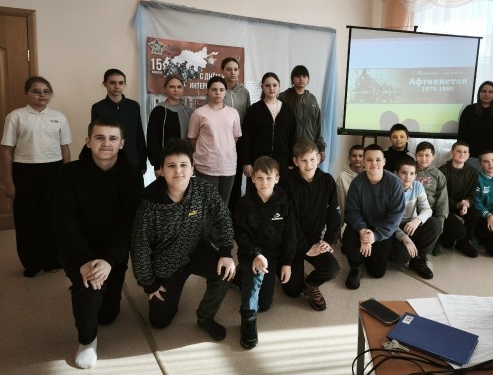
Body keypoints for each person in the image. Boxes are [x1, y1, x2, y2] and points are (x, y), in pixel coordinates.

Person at [54, 118, 143, 369]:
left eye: (113, 138)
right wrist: (84, 260)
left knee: (107, 316)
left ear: (122, 143)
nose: (106, 143)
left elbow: (131, 224)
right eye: (99, 137)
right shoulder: (69, 173)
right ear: (88, 141)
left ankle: (92, 293)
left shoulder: (132, 175)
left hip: (112, 253)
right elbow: (65, 223)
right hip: (77, 250)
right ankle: (87, 341)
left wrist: (109, 260)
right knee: (88, 286)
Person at [130, 139, 235, 343]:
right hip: (165, 262)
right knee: (159, 321)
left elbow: (223, 217)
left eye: (183, 165)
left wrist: (225, 251)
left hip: (195, 249)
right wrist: (149, 284)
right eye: (171, 166)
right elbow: (139, 247)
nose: (178, 171)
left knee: (225, 272)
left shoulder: (203, 189)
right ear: (161, 171)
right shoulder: (149, 202)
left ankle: (205, 317)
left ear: (193, 168)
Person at [1, 76, 72, 277]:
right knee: (27, 219)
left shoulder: (59, 117)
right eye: (36, 91)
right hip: (25, 171)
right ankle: (32, 263)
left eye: (46, 91)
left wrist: (67, 177)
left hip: (54, 170)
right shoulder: (16, 116)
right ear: (26, 93)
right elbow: (6, 151)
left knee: (53, 217)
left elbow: (65, 148)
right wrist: (8, 182)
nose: (42, 95)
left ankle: (52, 260)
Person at [233, 156, 296, 349]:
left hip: (273, 255)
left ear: (277, 178)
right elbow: (240, 233)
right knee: (254, 283)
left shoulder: (285, 202)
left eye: (269, 178)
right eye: (259, 178)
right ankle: (248, 319)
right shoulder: (244, 203)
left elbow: (290, 234)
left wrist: (287, 262)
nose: (264, 182)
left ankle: (239, 276)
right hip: (251, 253)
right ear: (252, 178)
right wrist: (255, 255)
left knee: (265, 304)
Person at [280, 140, 340, 311]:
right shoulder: (286, 182)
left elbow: (334, 214)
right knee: (292, 291)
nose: (309, 165)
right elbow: (288, 222)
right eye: (304, 160)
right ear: (295, 161)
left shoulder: (327, 181)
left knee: (332, 268)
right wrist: (305, 248)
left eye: (312, 159)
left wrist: (327, 241)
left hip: (314, 239)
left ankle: (311, 284)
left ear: (319, 158)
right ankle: (284, 268)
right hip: (291, 242)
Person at [342, 144, 405, 290]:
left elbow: (395, 217)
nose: (374, 163)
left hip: (382, 229)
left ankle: (372, 253)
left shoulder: (394, 182)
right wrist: (363, 231)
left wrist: (374, 236)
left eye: (378, 160)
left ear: (384, 161)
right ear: (363, 162)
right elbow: (351, 212)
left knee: (377, 272)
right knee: (348, 242)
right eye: (369, 160)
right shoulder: (357, 182)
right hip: (361, 227)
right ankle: (356, 267)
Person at [188, 76, 241, 204]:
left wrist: (225, 147)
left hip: (228, 165)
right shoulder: (199, 113)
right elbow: (192, 138)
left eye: (221, 90)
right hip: (206, 165)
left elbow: (236, 136)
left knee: (223, 204)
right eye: (214, 89)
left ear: (225, 92)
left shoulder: (233, 113)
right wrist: (205, 151)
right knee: (207, 204)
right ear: (208, 91)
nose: (218, 93)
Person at [241, 72, 296, 188]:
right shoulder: (254, 110)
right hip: (257, 162)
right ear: (262, 87)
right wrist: (247, 162)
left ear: (279, 86)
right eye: (267, 85)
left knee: (280, 194)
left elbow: (293, 138)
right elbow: (246, 137)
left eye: (274, 85)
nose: (271, 88)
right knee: (256, 194)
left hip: (282, 163)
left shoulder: (288, 111)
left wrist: (291, 163)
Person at [91, 69, 147, 172]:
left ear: (125, 84)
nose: (117, 86)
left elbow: (139, 134)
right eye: (113, 83)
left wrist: (143, 163)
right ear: (105, 84)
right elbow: (95, 137)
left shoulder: (133, 106)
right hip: (108, 162)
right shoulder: (98, 108)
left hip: (132, 160)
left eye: (121, 83)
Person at [390, 158, 435, 279]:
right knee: (402, 258)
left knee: (435, 224)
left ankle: (418, 258)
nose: (408, 177)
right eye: (404, 172)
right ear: (396, 174)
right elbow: (387, 221)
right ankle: (408, 255)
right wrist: (403, 237)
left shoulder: (417, 186)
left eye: (411, 173)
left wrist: (417, 220)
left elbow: (427, 209)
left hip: (411, 225)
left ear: (415, 176)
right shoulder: (389, 189)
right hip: (393, 228)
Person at [221, 57, 252, 212]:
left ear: (239, 71)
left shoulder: (244, 92)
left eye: (235, 69)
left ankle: (234, 215)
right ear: (222, 71)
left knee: (237, 179)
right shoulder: (218, 89)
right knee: (223, 179)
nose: (232, 72)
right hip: (222, 142)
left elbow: (248, 116)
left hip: (240, 142)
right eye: (228, 69)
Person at [146, 74, 193, 176]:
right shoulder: (159, 111)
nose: (176, 90)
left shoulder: (189, 112)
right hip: (165, 164)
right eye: (172, 87)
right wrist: (157, 165)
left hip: (185, 164)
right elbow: (152, 140)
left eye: (179, 87)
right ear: (165, 89)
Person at [439, 141, 480, 257]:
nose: (462, 154)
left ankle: (463, 242)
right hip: (446, 206)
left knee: (475, 213)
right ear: (452, 153)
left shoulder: (473, 172)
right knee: (455, 234)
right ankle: (446, 237)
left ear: (468, 155)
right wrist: (456, 205)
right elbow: (440, 197)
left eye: (465, 152)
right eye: (458, 151)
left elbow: (471, 193)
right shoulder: (442, 171)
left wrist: (466, 203)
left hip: (462, 204)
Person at [279, 65, 326, 162]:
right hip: (290, 148)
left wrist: (321, 148)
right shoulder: (284, 97)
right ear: (292, 79)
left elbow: (318, 125)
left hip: (310, 148)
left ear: (308, 79)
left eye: (304, 76)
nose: (301, 79)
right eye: (298, 76)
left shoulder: (312, 99)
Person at [457, 81, 493, 169]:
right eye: (484, 91)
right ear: (479, 93)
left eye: (490, 92)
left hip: (492, 158)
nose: (487, 94)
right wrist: (461, 153)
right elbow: (461, 134)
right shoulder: (469, 110)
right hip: (471, 156)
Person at [414, 141, 447, 267]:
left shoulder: (438, 175)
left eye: (427, 155)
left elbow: (442, 199)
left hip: (428, 214)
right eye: (420, 155)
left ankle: (423, 253)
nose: (423, 158)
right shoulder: (409, 170)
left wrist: (441, 220)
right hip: (410, 212)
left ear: (433, 156)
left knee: (438, 225)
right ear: (415, 155)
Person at [336, 144, 364, 228]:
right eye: (354, 156)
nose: (357, 159)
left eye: (361, 156)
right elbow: (340, 204)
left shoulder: (369, 175)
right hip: (351, 220)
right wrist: (340, 227)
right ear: (349, 158)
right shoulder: (342, 177)